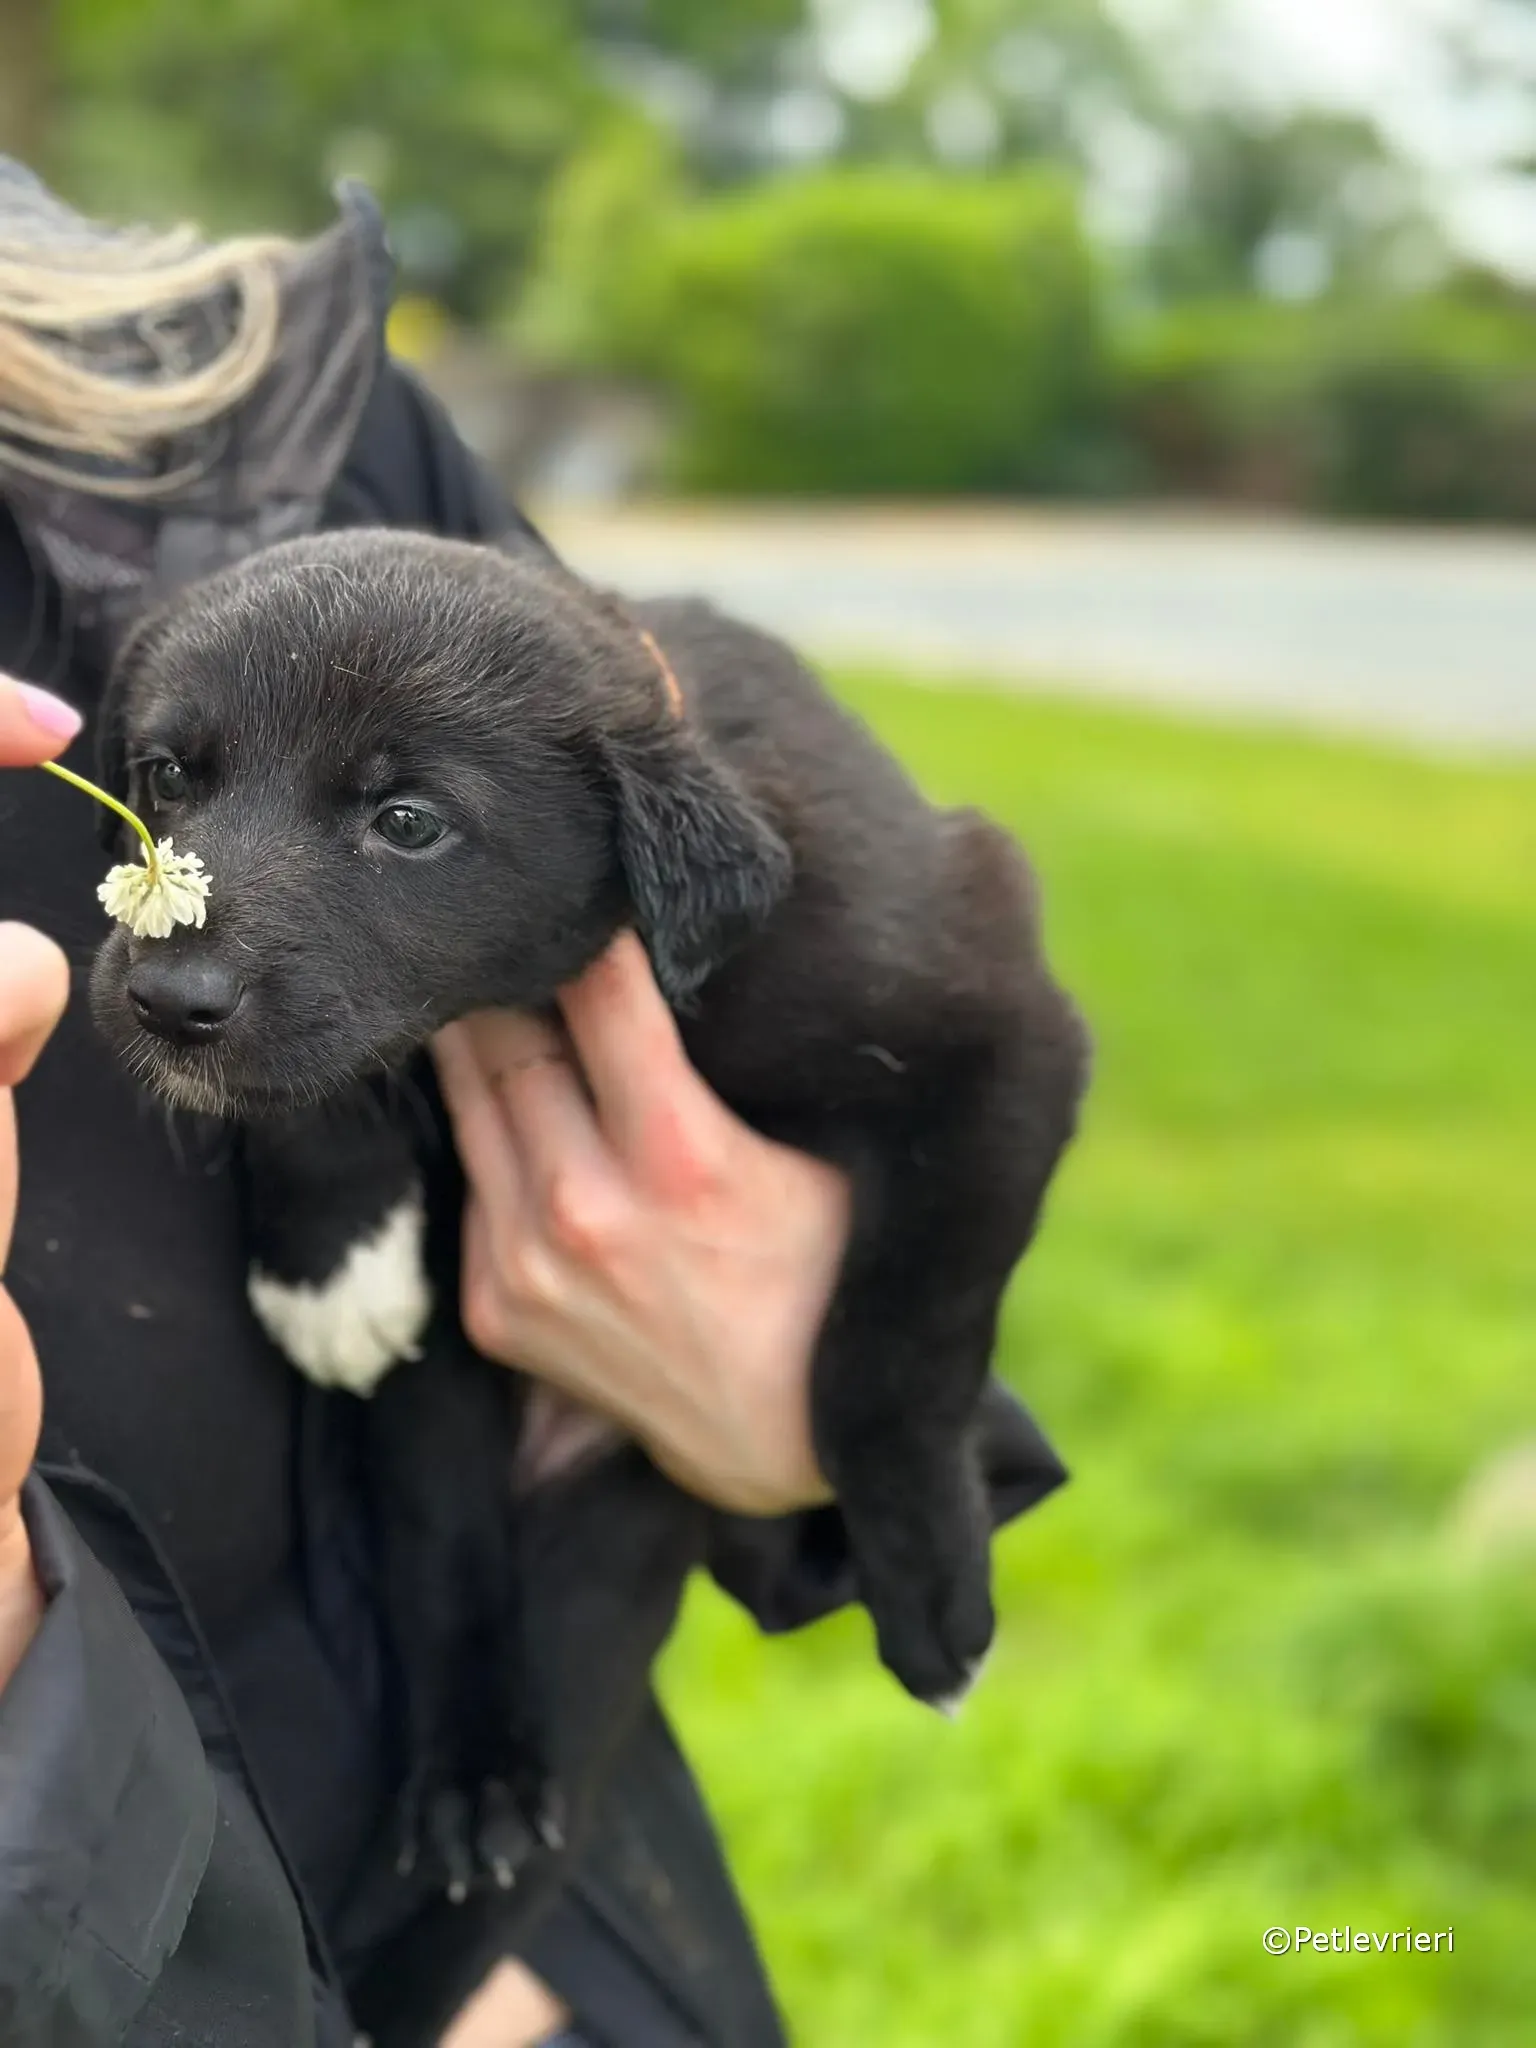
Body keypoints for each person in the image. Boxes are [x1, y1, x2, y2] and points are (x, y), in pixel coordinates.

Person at [0, 163, 1065, 2048]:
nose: (185, 925)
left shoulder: (254, 410)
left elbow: (998, 1062)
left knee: (561, 1553)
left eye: (404, 822)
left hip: (563, 1926)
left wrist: (866, 1431)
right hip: (169, 1887)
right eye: (176, 784)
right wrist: (326, 1157)